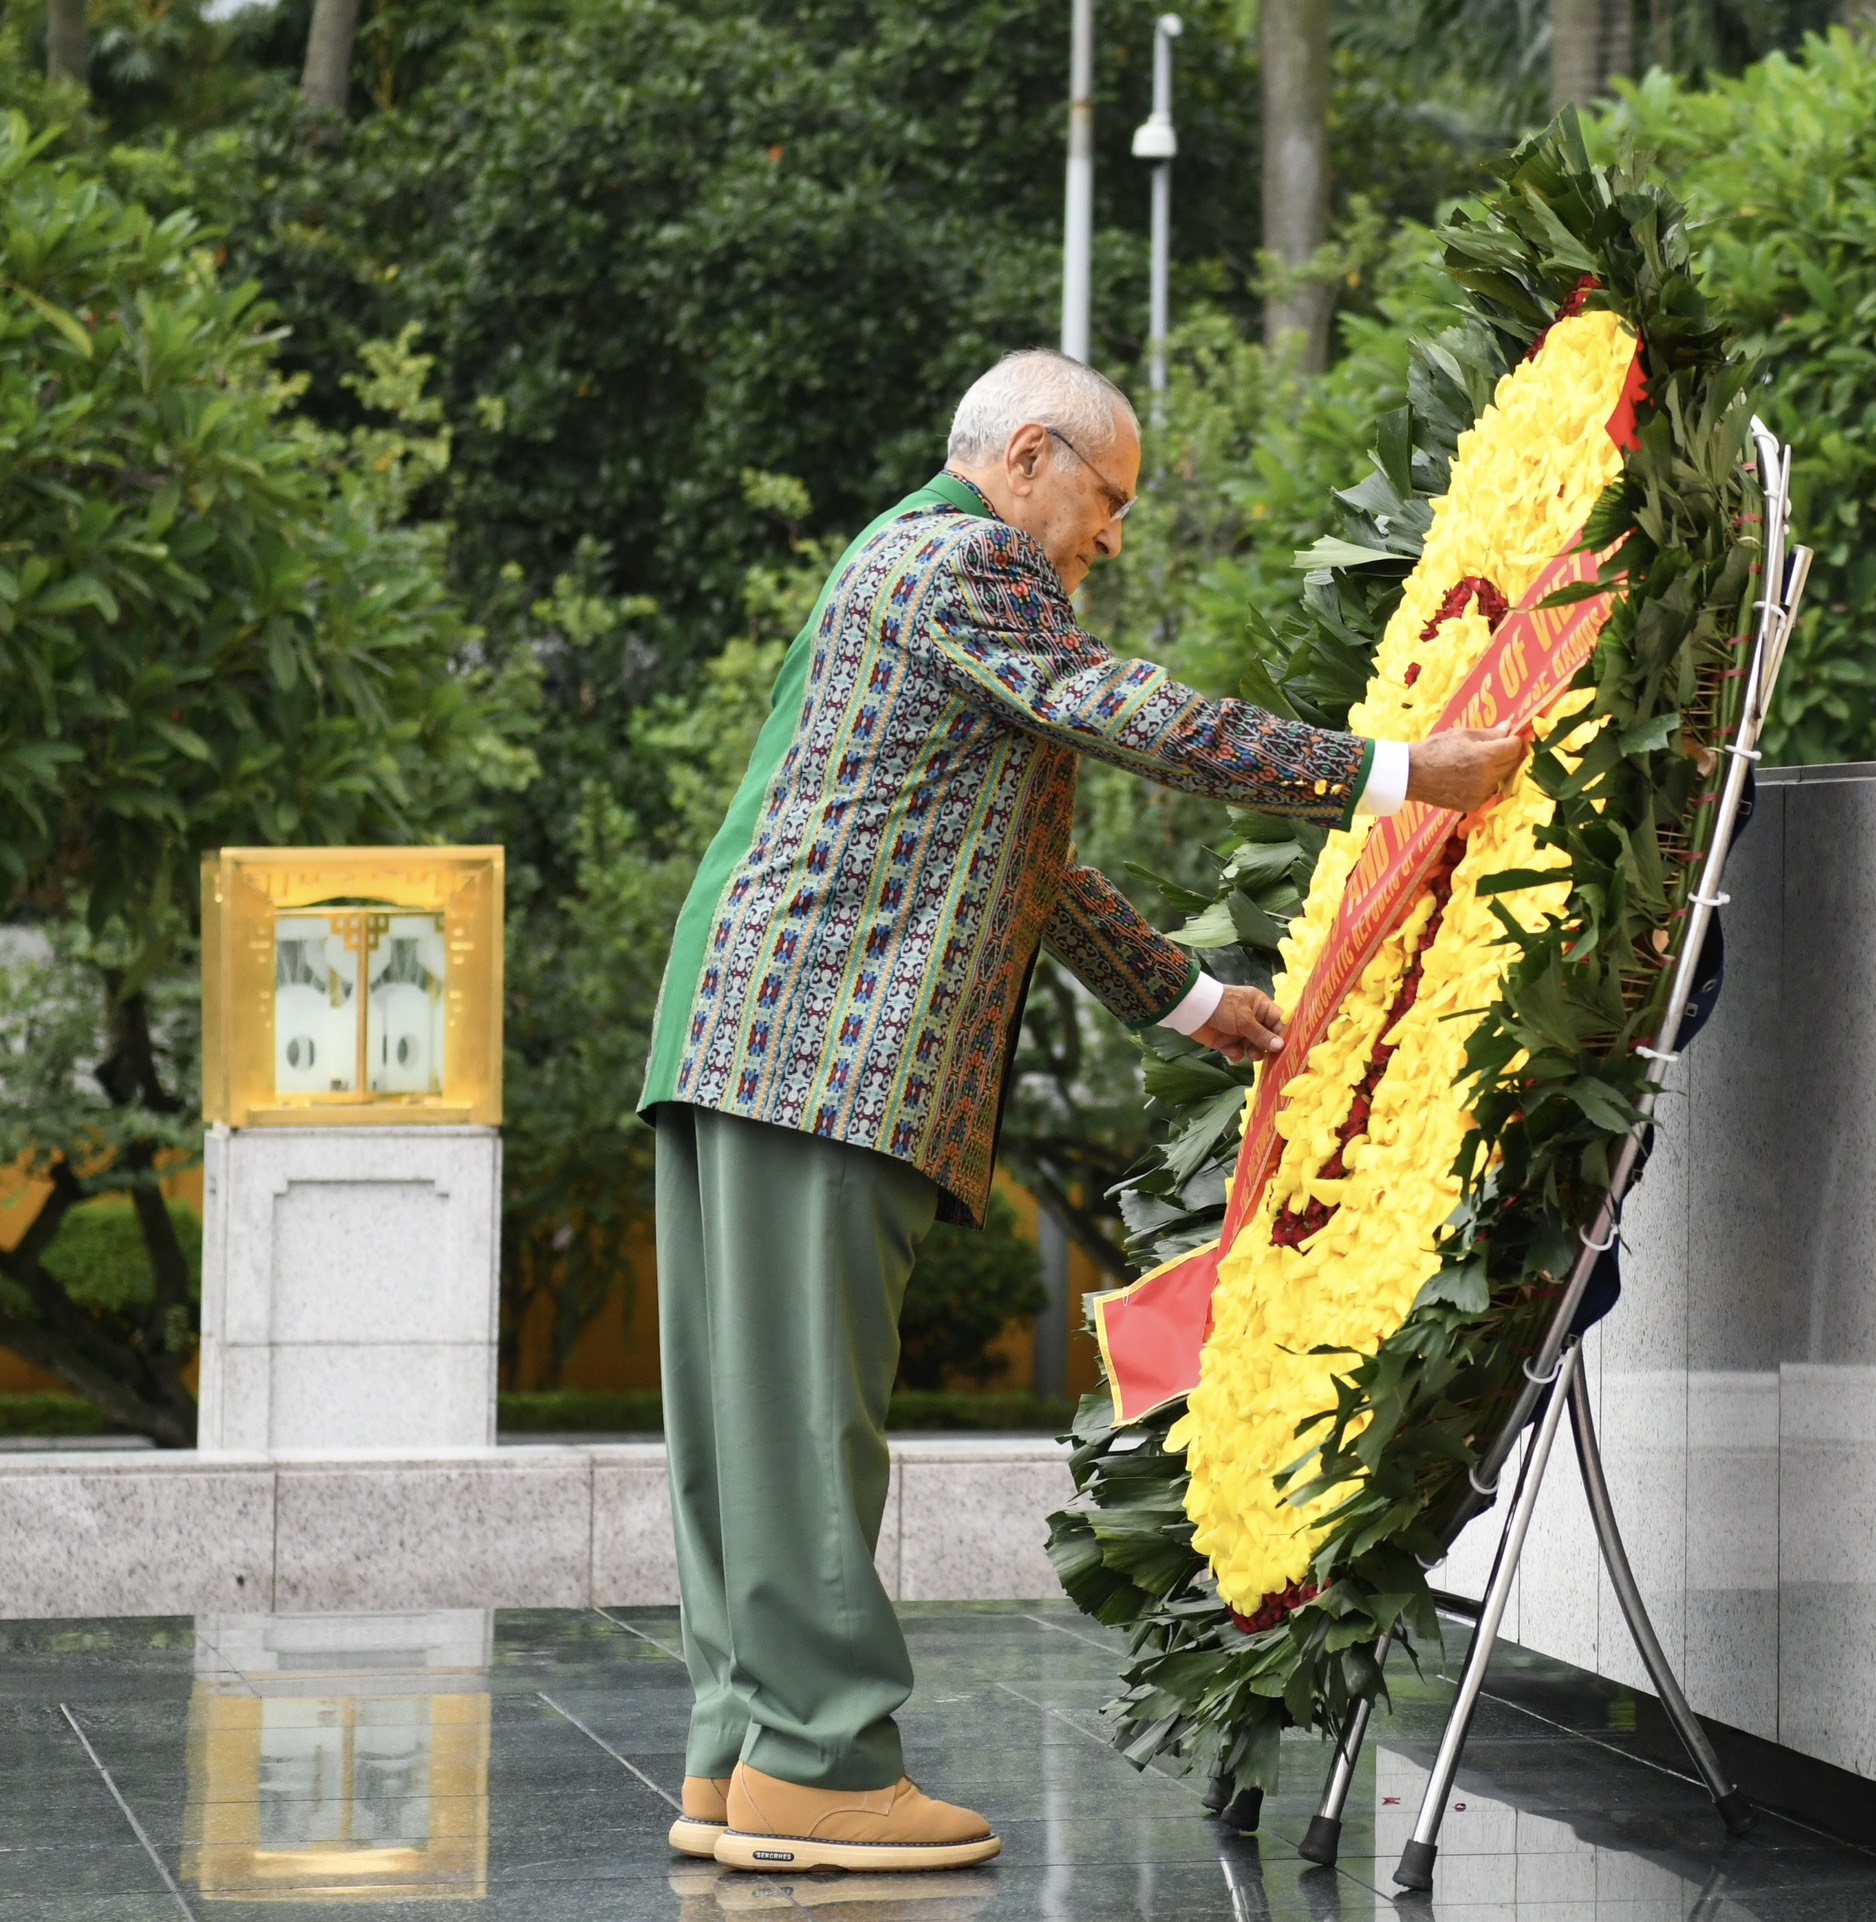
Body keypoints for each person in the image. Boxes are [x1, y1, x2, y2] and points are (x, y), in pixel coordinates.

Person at [635, 349, 1527, 1874]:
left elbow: (1022, 851)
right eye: (1108, 499)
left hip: (741, 1033)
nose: (1110, 536)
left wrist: (1184, 997)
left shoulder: (903, 566)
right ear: (1031, 456)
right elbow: (1134, 717)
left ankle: (741, 1758)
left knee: (741, 1427)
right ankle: (821, 1760)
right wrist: (1397, 772)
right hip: (829, 1046)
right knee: (799, 1422)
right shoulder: (968, 558)